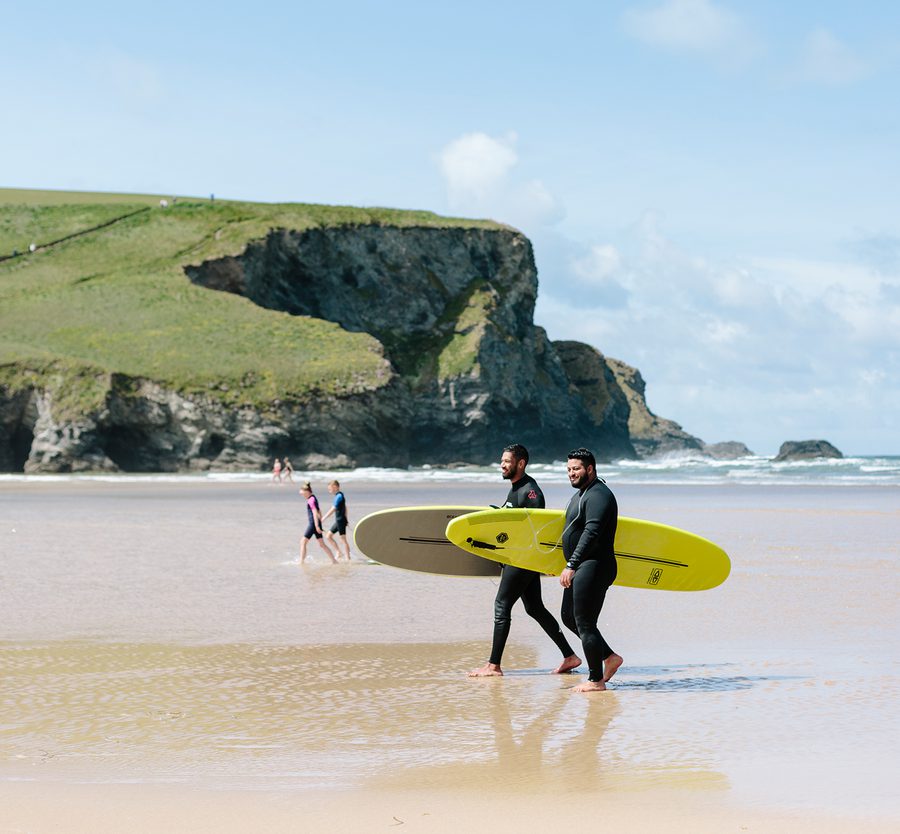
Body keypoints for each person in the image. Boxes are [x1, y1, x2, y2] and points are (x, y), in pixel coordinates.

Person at [469, 444, 582, 677]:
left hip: (522, 559)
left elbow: (537, 529)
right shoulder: (516, 489)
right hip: (520, 558)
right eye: (502, 460)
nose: (502, 464)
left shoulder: (530, 492)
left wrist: (544, 562)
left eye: (507, 461)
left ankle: (493, 665)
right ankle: (570, 656)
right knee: (534, 608)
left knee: (502, 606)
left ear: (520, 464)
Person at [559, 448, 623, 693]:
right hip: (580, 565)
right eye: (568, 469)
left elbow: (592, 532)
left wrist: (572, 564)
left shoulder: (599, 495)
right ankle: (610, 657)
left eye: (576, 468)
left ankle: (596, 679)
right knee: (569, 617)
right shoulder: (581, 495)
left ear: (590, 469)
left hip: (595, 564)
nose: (571, 473)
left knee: (585, 622)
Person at [299, 482, 338, 564]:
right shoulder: (313, 498)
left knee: (303, 542)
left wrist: (317, 525)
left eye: (303, 494)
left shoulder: (310, 500)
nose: (303, 496)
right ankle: (334, 561)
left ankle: (301, 561)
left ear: (307, 491)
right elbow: (319, 511)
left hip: (313, 524)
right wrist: (319, 522)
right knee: (322, 544)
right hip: (316, 523)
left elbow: (314, 512)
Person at [322, 480, 352, 561]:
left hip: (340, 521)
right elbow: (345, 508)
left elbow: (333, 509)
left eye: (330, 488)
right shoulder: (340, 495)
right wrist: (346, 518)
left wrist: (323, 518)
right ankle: (339, 552)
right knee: (328, 536)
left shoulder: (339, 496)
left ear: (335, 487)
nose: (329, 490)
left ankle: (348, 558)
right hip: (340, 520)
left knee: (343, 539)